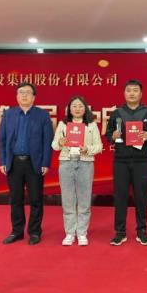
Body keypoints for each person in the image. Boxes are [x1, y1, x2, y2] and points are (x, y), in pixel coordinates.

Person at [104, 79, 147, 246]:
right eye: (129, 90)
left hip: (141, 161)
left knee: (141, 197)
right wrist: (112, 136)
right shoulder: (117, 113)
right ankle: (120, 232)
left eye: (135, 90)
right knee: (120, 197)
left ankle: (142, 231)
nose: (132, 93)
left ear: (141, 94)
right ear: (124, 93)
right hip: (120, 161)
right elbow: (108, 134)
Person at [0, 82, 54, 245]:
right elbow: (1, 140)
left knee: (36, 199)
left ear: (34, 97)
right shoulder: (8, 114)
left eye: (28, 92)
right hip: (14, 162)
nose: (24, 95)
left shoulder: (42, 115)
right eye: (21, 92)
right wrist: (2, 161)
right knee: (16, 199)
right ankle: (17, 231)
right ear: (17, 96)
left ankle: (34, 232)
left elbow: (47, 141)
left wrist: (46, 162)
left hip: (34, 163)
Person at [51, 95, 103, 246]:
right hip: (66, 162)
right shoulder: (63, 124)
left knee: (84, 200)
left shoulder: (91, 125)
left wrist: (88, 149)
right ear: (69, 109)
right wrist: (60, 142)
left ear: (85, 108)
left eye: (80, 106)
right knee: (68, 200)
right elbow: (54, 145)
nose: (77, 109)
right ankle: (69, 233)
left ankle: (81, 233)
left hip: (85, 163)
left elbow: (99, 146)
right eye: (74, 106)